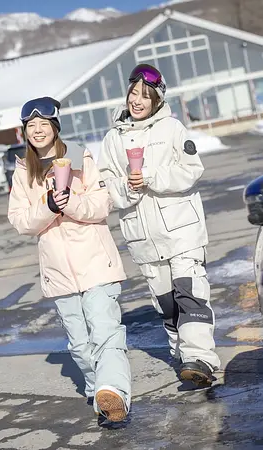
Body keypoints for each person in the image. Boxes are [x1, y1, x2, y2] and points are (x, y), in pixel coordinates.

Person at [7, 96, 132, 422]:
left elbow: (102, 204)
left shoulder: (79, 156)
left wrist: (70, 203)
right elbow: (20, 221)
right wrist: (48, 206)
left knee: (106, 333)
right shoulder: (23, 171)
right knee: (79, 346)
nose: (37, 130)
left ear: (55, 127)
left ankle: (114, 391)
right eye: (30, 126)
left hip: (95, 262)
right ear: (24, 132)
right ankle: (98, 392)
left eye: (43, 124)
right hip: (59, 273)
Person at [97, 64, 220, 387]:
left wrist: (151, 177)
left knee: (190, 294)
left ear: (157, 99)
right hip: (144, 237)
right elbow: (107, 185)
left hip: (181, 230)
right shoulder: (112, 140)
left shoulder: (172, 129)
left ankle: (201, 359)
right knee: (167, 304)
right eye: (133, 93)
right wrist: (129, 188)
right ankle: (184, 358)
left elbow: (191, 169)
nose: (137, 100)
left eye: (145, 95)